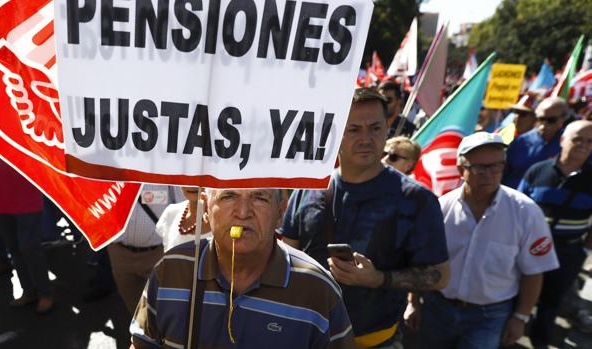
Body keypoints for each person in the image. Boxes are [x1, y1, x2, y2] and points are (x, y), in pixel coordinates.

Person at [279, 87, 450, 348]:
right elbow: (285, 256)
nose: (366, 139)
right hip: (304, 337)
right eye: (354, 129)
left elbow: (440, 275)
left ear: (387, 128)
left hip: (375, 341)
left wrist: (377, 278)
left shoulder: (416, 200)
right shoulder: (308, 189)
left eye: (375, 128)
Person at [131, 188, 354, 348]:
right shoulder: (170, 271)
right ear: (206, 207)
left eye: (260, 197)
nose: (243, 212)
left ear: (281, 210)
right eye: (228, 196)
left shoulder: (317, 288)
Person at [407, 132, 559, 349]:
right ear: (461, 170)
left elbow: (534, 271)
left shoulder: (525, 212)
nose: (489, 174)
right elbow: (421, 260)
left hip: (490, 316)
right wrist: (413, 302)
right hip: (437, 308)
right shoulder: (441, 208)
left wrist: (520, 318)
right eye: (480, 167)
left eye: (496, 166)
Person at [518, 120, 592, 348]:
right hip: (526, 250)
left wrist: (584, 250)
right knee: (516, 299)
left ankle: (539, 341)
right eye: (577, 138)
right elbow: (517, 209)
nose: (583, 145)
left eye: (590, 142)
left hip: (567, 252)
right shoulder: (537, 171)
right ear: (562, 140)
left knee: (551, 304)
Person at [0, 152, 54, 314]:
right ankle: (29, 291)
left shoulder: (23, 128)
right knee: (14, 248)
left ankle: (45, 293)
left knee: (29, 247)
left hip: (27, 196)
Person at [107, 184, 182, 313]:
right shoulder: (110, 168)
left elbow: (185, 206)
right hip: (120, 254)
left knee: (165, 312)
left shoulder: (165, 168)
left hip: (159, 255)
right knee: (136, 312)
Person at [502, 97, 568, 188]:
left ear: (563, 119)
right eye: (541, 119)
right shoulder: (520, 142)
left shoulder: (571, 143)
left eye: (551, 120)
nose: (544, 124)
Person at [156, 186, 212, 252]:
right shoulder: (171, 211)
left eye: (200, 178)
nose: (193, 184)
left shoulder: (221, 216)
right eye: (187, 177)